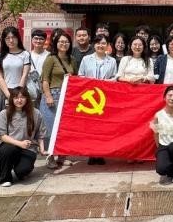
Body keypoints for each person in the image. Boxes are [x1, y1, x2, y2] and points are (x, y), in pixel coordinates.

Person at [0, 86, 47, 187]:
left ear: (27, 98)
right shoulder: (4, 113)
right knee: (7, 150)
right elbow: (2, 136)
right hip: (10, 146)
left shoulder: (36, 113)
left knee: (22, 171)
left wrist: (42, 149)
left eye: (22, 97)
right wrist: (20, 143)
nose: (19, 100)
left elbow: (40, 134)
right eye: (16, 98)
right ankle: (5, 178)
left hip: (28, 148)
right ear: (11, 99)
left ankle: (20, 168)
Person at [79, 34, 117, 165]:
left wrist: (104, 83)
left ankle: (101, 153)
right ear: (93, 45)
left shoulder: (112, 61)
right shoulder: (86, 59)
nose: (101, 45)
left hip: (105, 97)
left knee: (103, 127)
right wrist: (91, 82)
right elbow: (80, 76)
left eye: (103, 43)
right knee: (90, 127)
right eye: (98, 43)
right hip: (89, 97)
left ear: (107, 46)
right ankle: (91, 153)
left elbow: (114, 78)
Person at [40, 31, 77, 169]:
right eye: (61, 41)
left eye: (66, 42)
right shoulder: (51, 58)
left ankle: (62, 156)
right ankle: (50, 157)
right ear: (56, 43)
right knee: (50, 128)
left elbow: (76, 78)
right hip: (53, 96)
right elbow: (44, 79)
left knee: (64, 128)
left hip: (67, 97)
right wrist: (48, 96)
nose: (64, 44)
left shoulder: (72, 59)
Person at [0, 26, 31, 118]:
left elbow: (24, 75)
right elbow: (0, 77)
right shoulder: (0, 56)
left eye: (13, 37)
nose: (11, 40)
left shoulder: (25, 55)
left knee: (22, 120)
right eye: (7, 38)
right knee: (4, 121)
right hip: (4, 92)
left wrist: (18, 95)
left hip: (20, 92)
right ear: (4, 40)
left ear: (18, 38)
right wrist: (9, 95)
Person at [29, 29, 49, 107]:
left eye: (41, 39)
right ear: (32, 40)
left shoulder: (49, 55)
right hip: (30, 89)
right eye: (36, 38)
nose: (38, 41)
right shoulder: (27, 55)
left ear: (45, 41)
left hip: (44, 89)